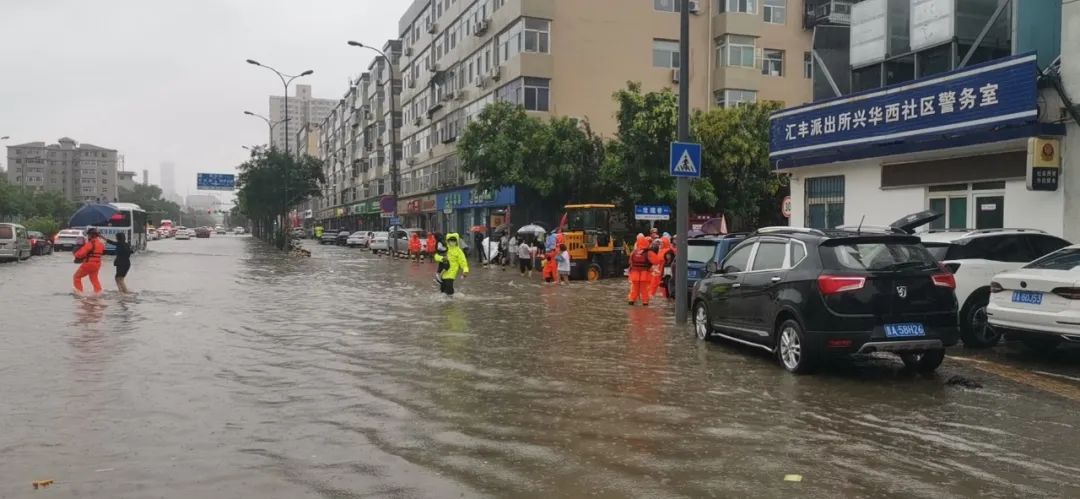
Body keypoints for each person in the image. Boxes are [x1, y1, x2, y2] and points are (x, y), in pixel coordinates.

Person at [72, 228, 106, 295]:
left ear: (91, 235)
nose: (88, 237)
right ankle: (98, 293)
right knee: (94, 279)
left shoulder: (90, 243)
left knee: (76, 277)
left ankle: (79, 293)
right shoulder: (101, 244)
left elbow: (80, 254)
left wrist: (75, 253)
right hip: (97, 264)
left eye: (88, 235)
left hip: (89, 264)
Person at [627, 234, 654, 306]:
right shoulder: (648, 252)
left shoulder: (633, 252)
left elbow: (630, 262)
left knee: (634, 289)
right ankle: (645, 303)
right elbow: (655, 261)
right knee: (644, 289)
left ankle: (631, 301)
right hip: (644, 274)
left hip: (634, 274)